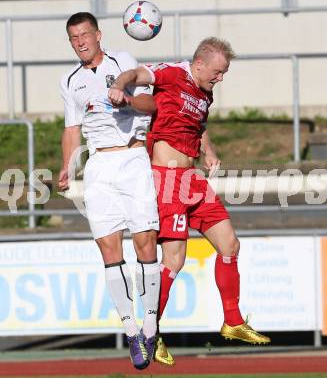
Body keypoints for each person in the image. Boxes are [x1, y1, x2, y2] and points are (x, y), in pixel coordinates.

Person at [108, 37, 271, 366]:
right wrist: (119, 88)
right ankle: (151, 332)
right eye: (218, 71)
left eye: (224, 72)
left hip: (193, 179)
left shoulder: (204, 91)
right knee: (174, 261)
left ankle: (233, 322)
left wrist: (208, 150)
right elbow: (136, 74)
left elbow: (200, 124)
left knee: (229, 245)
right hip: (166, 180)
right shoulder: (171, 74)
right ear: (199, 64)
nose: (221, 78)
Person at [58, 12, 161, 370]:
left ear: (98, 35)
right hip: (99, 165)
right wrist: (66, 165)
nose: (80, 42)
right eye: (74, 38)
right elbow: (72, 129)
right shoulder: (70, 80)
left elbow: (153, 104)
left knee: (146, 240)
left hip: (133, 158)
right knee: (108, 247)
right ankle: (131, 332)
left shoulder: (124, 62)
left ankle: (150, 325)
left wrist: (127, 100)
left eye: (85, 34)